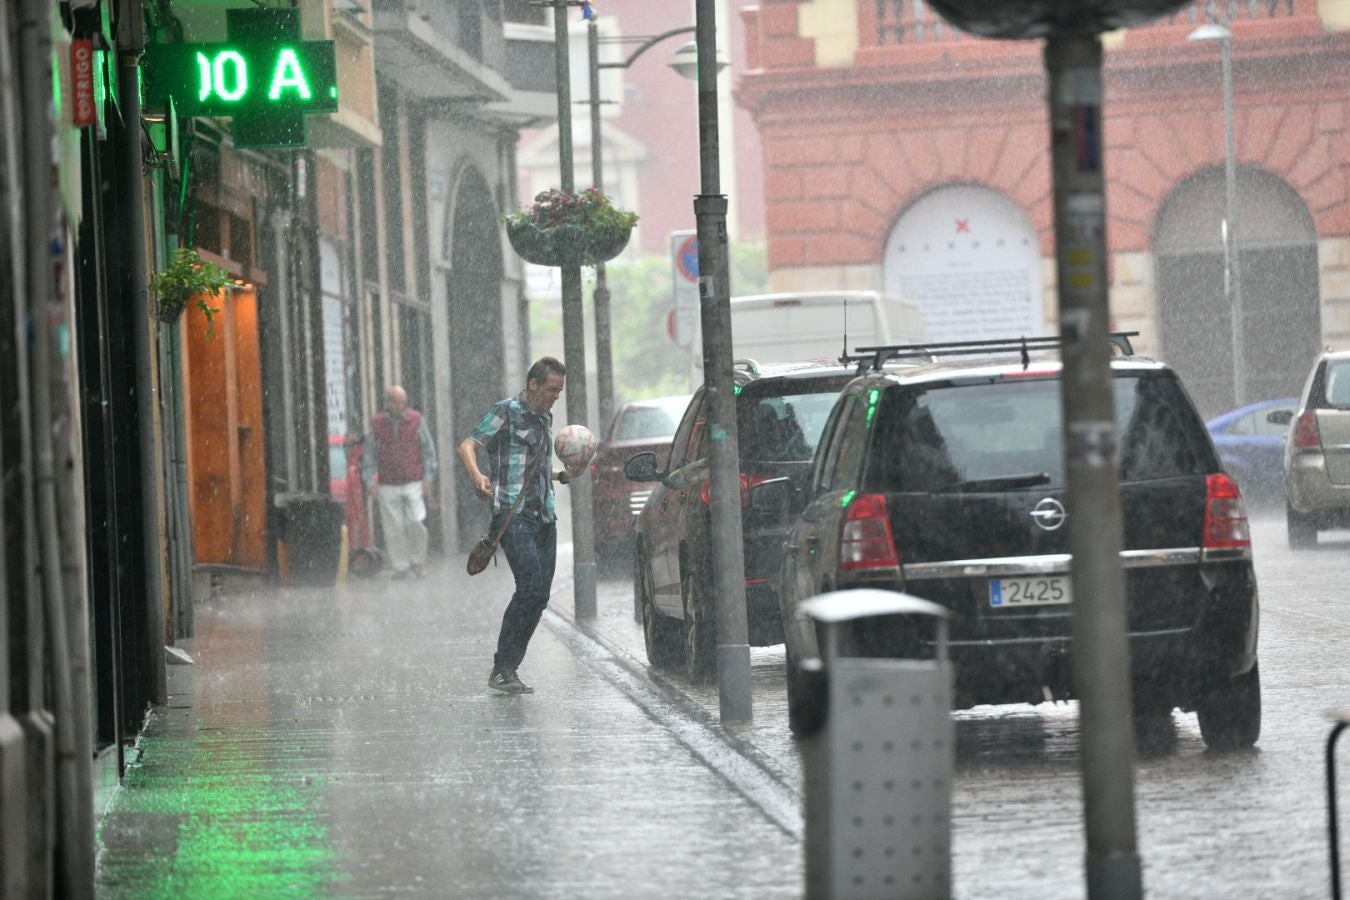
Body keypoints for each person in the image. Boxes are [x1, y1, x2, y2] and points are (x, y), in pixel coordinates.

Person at [456, 357, 581, 695]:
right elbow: (468, 444)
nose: (555, 397)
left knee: (539, 595)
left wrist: (562, 475)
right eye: (551, 389)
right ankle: (503, 667)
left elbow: (533, 466)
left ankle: (508, 668)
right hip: (514, 515)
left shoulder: (545, 417)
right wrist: (477, 475)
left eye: (559, 392)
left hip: (545, 515)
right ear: (533, 384)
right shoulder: (506, 411)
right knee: (529, 588)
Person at [362, 385, 437, 580]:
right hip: (387, 482)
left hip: (413, 480)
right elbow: (369, 454)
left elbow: (428, 451)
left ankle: (418, 561)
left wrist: (428, 477)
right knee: (393, 527)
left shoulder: (416, 420)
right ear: (388, 403)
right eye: (398, 402)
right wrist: (370, 480)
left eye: (404, 402)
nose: (402, 406)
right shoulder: (377, 424)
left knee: (416, 522)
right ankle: (401, 566)